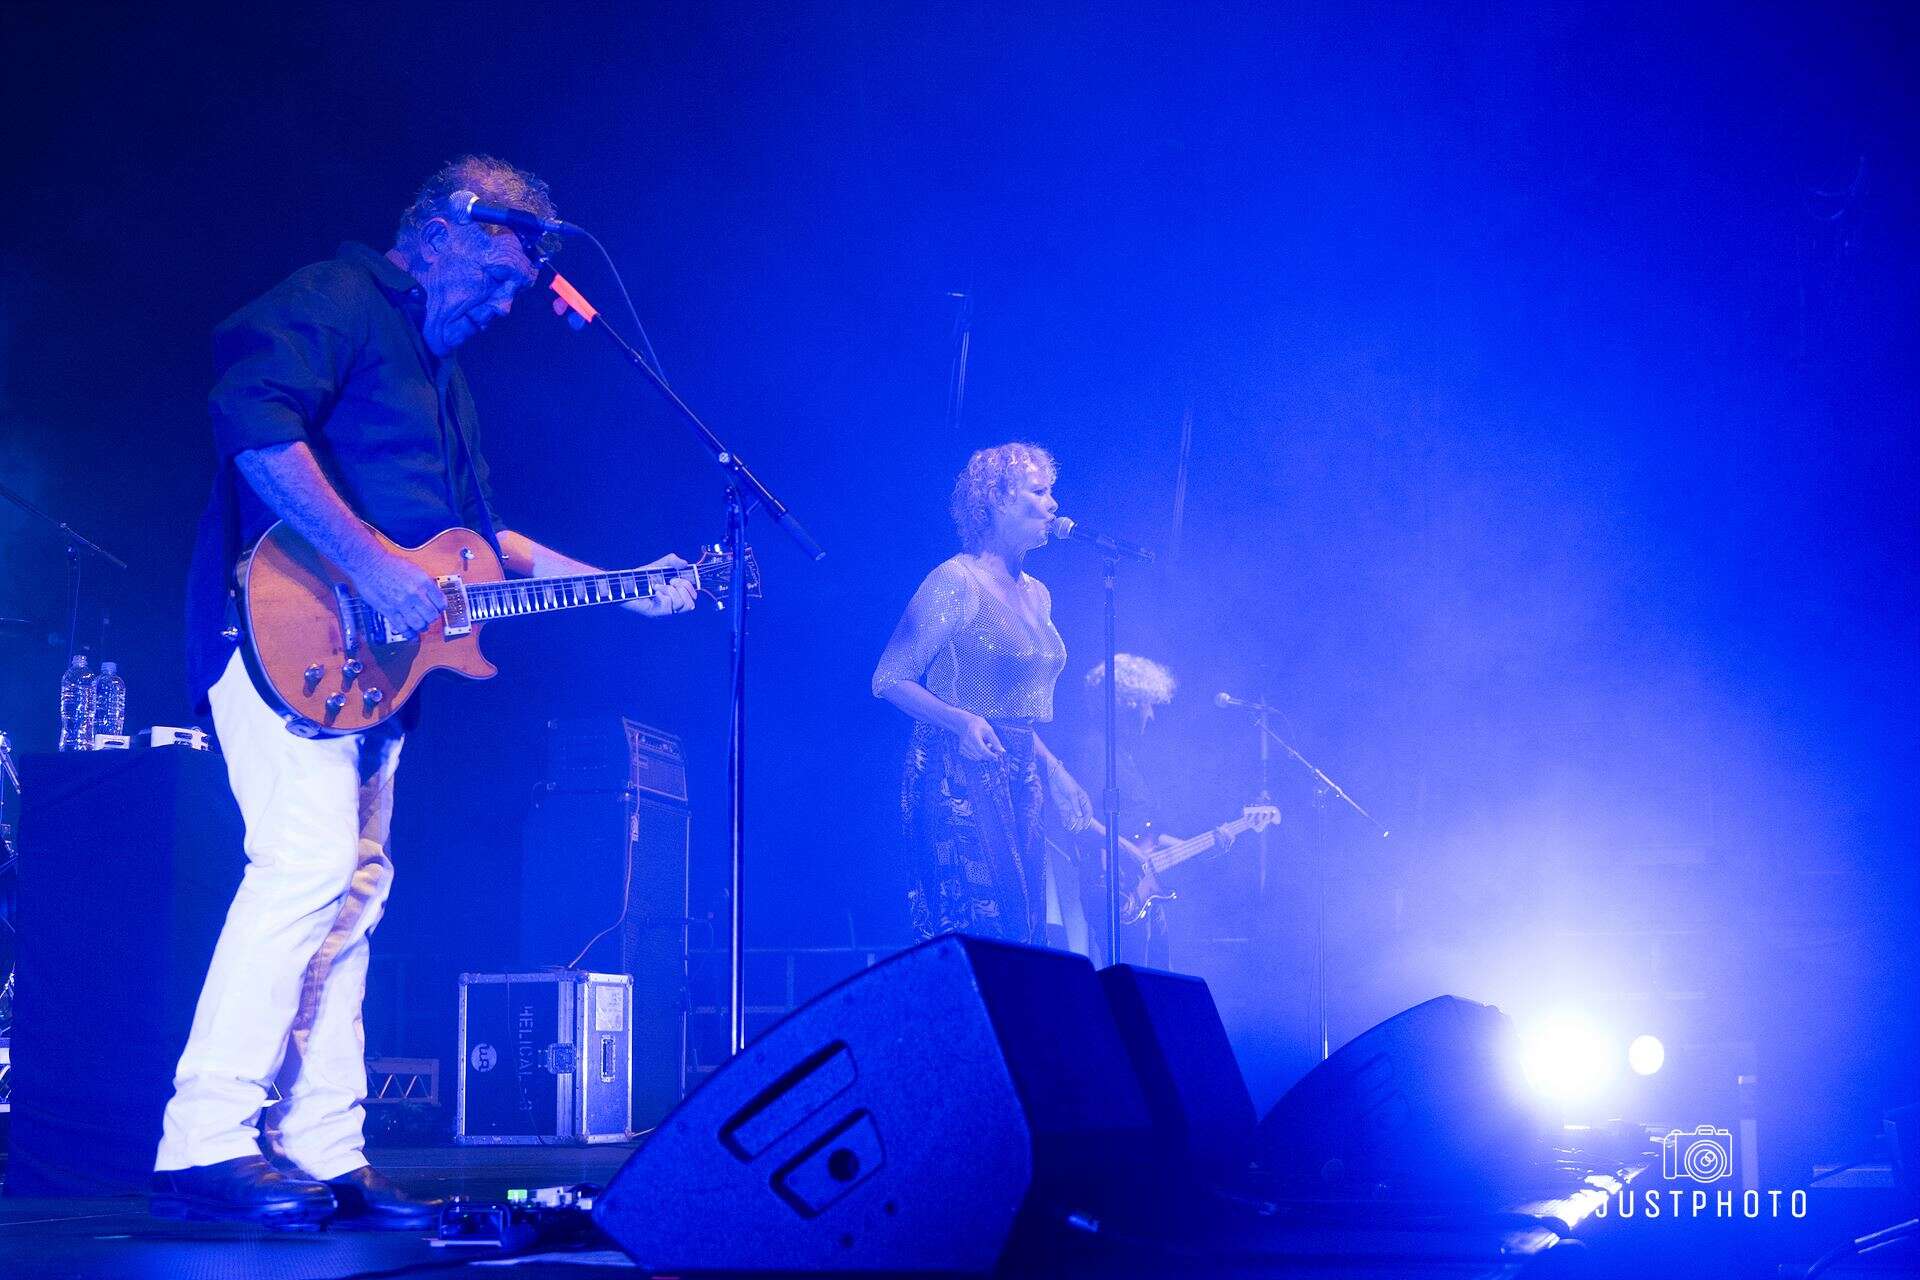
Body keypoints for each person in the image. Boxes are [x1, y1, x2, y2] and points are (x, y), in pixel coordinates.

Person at [155, 156, 698, 1229]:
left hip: (379, 677)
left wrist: (624, 585)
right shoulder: (337, 295)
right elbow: (252, 421)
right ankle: (203, 1140)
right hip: (281, 633)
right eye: (502, 270)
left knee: (357, 890)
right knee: (304, 866)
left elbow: (487, 548)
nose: (507, 302)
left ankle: (325, 1149)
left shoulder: (444, 381)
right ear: (447, 227)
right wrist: (368, 567)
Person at [873, 442, 1095, 943]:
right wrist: (960, 721)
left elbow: (1010, 709)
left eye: (1052, 492)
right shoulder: (955, 581)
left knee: (1026, 931)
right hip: (957, 769)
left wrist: (1055, 772)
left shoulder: (1038, 593)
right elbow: (889, 677)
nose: (1053, 504)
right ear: (996, 499)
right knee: (986, 928)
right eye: (1039, 491)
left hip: (1019, 769)